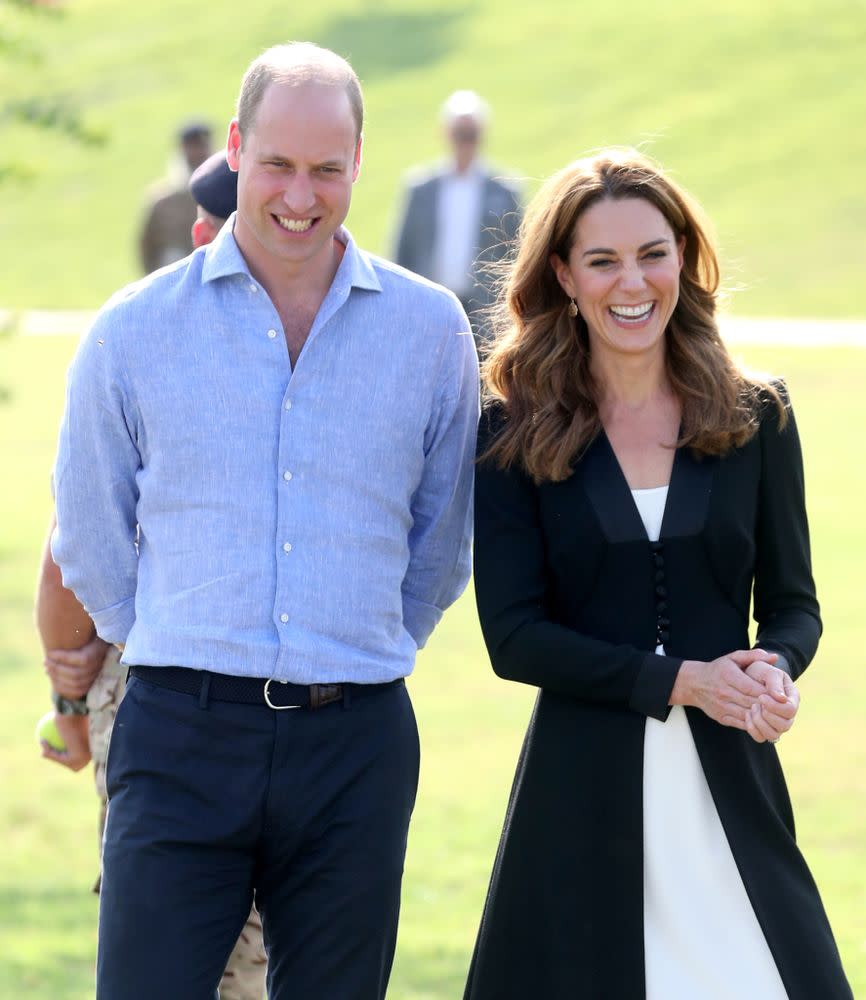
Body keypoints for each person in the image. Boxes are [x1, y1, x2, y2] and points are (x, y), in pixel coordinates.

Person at [52, 42, 478, 1000]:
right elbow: (88, 534)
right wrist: (172, 645)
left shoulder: (431, 330)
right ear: (238, 149)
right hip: (179, 738)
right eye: (279, 163)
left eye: (328, 168)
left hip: (354, 746)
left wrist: (360, 650)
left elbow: (442, 542)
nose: (301, 193)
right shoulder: (133, 330)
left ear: (359, 163)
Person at [464, 149, 852, 999]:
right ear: (564, 275)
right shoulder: (512, 427)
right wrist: (685, 682)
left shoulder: (758, 414)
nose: (629, 282)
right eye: (601, 260)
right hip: (578, 803)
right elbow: (514, 637)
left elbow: (794, 606)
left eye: (651, 253)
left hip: (733, 792)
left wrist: (772, 671)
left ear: (683, 255)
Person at [36, 150, 267, 1000]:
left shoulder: (147, 333)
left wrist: (66, 694)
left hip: (151, 689)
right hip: (264, 704)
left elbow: (70, 548)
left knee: (163, 938)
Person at [391, 89, 521, 342]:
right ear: (446, 134)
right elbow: (402, 251)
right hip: (428, 304)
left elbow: (518, 254)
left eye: (471, 135)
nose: (464, 142)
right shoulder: (420, 188)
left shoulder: (504, 191)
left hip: (485, 312)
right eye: (459, 134)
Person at [138, 119, 212, 273]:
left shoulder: (224, 193)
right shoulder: (161, 201)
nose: (198, 153)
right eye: (193, 146)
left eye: (202, 146)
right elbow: (147, 248)